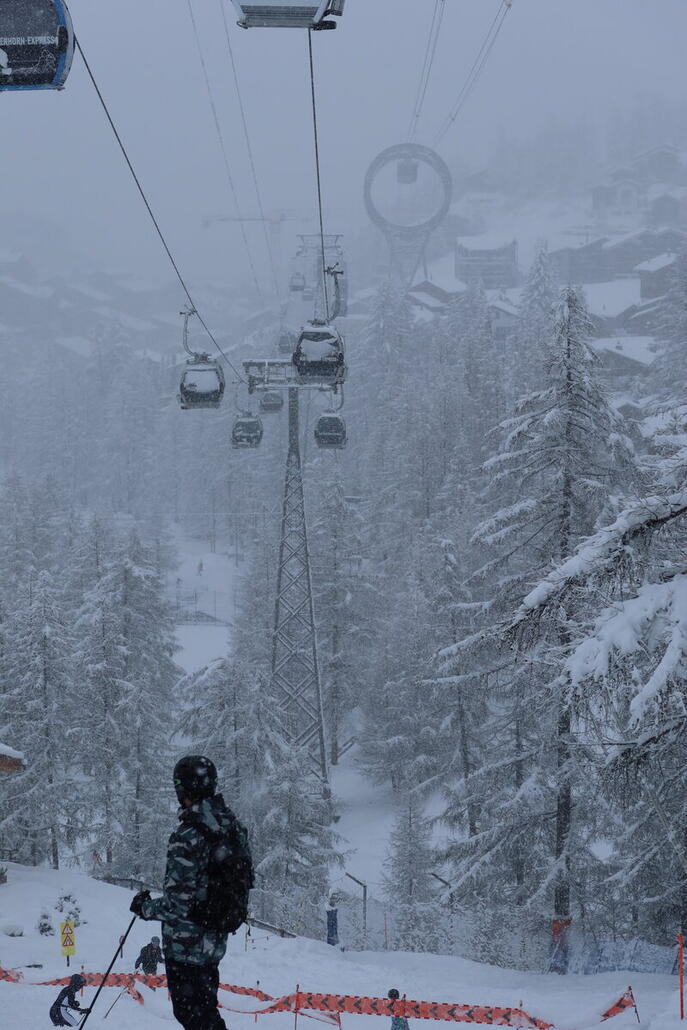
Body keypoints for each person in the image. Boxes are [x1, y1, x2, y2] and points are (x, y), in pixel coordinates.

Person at [130, 756, 253, 1030]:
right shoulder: (233, 828)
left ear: (183, 789)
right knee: (205, 1012)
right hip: (214, 937)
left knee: (192, 1016)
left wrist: (144, 908)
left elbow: (177, 905)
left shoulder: (188, 836)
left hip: (185, 944)